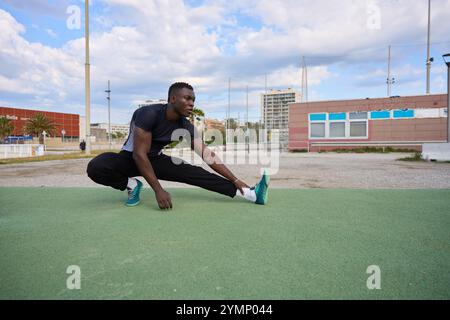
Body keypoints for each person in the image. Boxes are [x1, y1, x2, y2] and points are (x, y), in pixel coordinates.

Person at [86, 82, 269, 210]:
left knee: (196, 174)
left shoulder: (185, 125)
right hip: (131, 158)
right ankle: (131, 185)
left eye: (193, 100)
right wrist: (158, 190)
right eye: (187, 99)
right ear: (173, 99)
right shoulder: (147, 114)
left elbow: (207, 155)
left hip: (155, 159)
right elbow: (139, 155)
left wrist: (235, 179)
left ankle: (250, 194)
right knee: (96, 166)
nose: (191, 103)